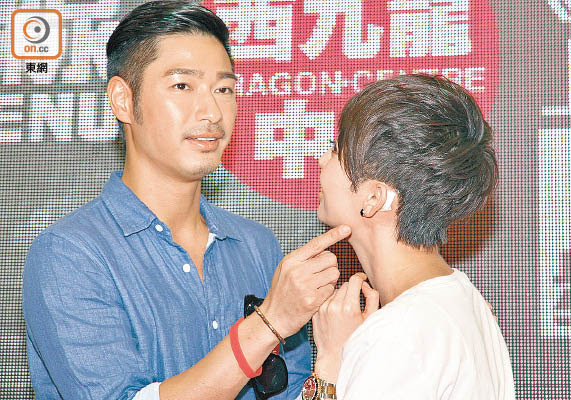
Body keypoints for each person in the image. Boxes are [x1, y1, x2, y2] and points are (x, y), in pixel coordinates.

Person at [22, 2, 350, 399]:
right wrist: (267, 324)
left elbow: (288, 391)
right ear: (123, 99)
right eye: (182, 86)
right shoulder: (71, 254)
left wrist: (331, 359)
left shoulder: (257, 245)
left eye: (224, 89)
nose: (212, 112)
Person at [302, 74, 515, 399]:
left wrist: (330, 365)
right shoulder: (459, 301)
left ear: (374, 198)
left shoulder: (399, 335)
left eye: (336, 150)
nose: (322, 160)